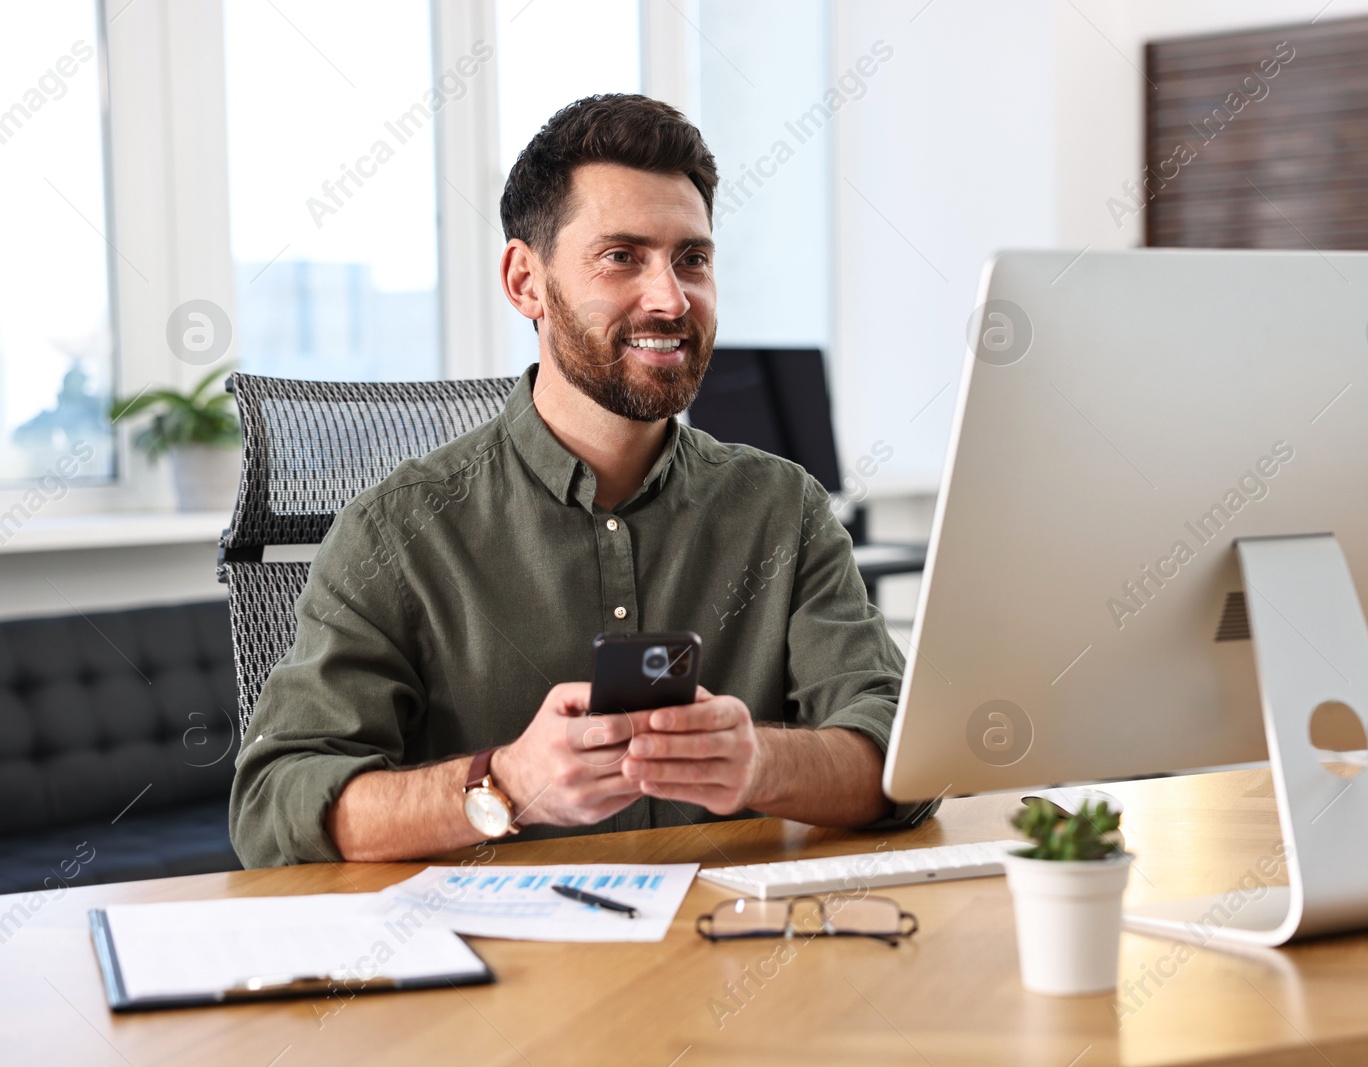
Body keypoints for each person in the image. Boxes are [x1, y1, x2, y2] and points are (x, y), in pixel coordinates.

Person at [228, 94, 933, 866]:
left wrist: (760, 762)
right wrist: (500, 784)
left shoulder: (784, 509)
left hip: (731, 950)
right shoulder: (394, 530)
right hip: (506, 969)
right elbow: (276, 806)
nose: (670, 299)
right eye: (622, 256)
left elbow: (902, 755)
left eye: (692, 259)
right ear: (526, 281)